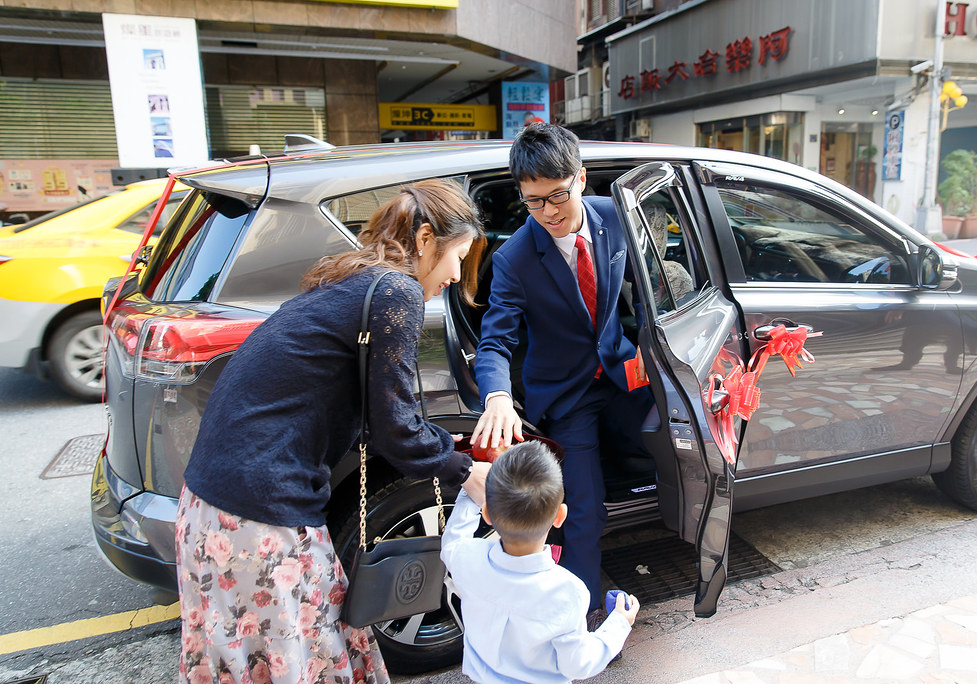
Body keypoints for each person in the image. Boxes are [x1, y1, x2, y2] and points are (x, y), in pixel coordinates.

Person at [175, 179, 491, 684]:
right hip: (258, 515)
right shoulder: (397, 290)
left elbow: (376, 410)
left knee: (273, 655)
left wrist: (441, 447)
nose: (456, 275)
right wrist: (467, 472)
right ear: (426, 240)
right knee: (297, 659)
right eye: (458, 255)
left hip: (215, 507)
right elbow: (397, 427)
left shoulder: (353, 279)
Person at [471, 123, 654, 622]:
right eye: (533, 202)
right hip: (566, 396)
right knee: (583, 512)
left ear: (581, 177)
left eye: (558, 195)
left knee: (678, 442)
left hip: (621, 373)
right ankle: (581, 616)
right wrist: (498, 398)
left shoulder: (614, 217)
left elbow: (650, 284)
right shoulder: (513, 259)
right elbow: (496, 340)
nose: (549, 212)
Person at [441, 441, 639, 683]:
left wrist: (468, 491)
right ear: (560, 516)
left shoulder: (467, 559)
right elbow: (578, 664)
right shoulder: (568, 590)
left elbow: (453, 539)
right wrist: (619, 623)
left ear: (487, 515)